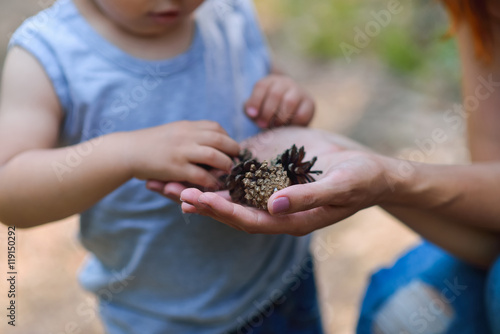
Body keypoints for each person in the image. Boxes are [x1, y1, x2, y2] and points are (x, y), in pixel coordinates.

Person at [0, 0, 323, 333]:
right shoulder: (48, 52)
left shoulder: (228, 11)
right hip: (165, 319)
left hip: (284, 279)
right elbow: (9, 188)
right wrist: (126, 152)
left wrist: (285, 98)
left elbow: (265, 79)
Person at [178, 1, 500, 333]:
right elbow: (492, 224)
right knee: (398, 312)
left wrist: (390, 179)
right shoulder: (478, 9)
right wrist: (370, 171)